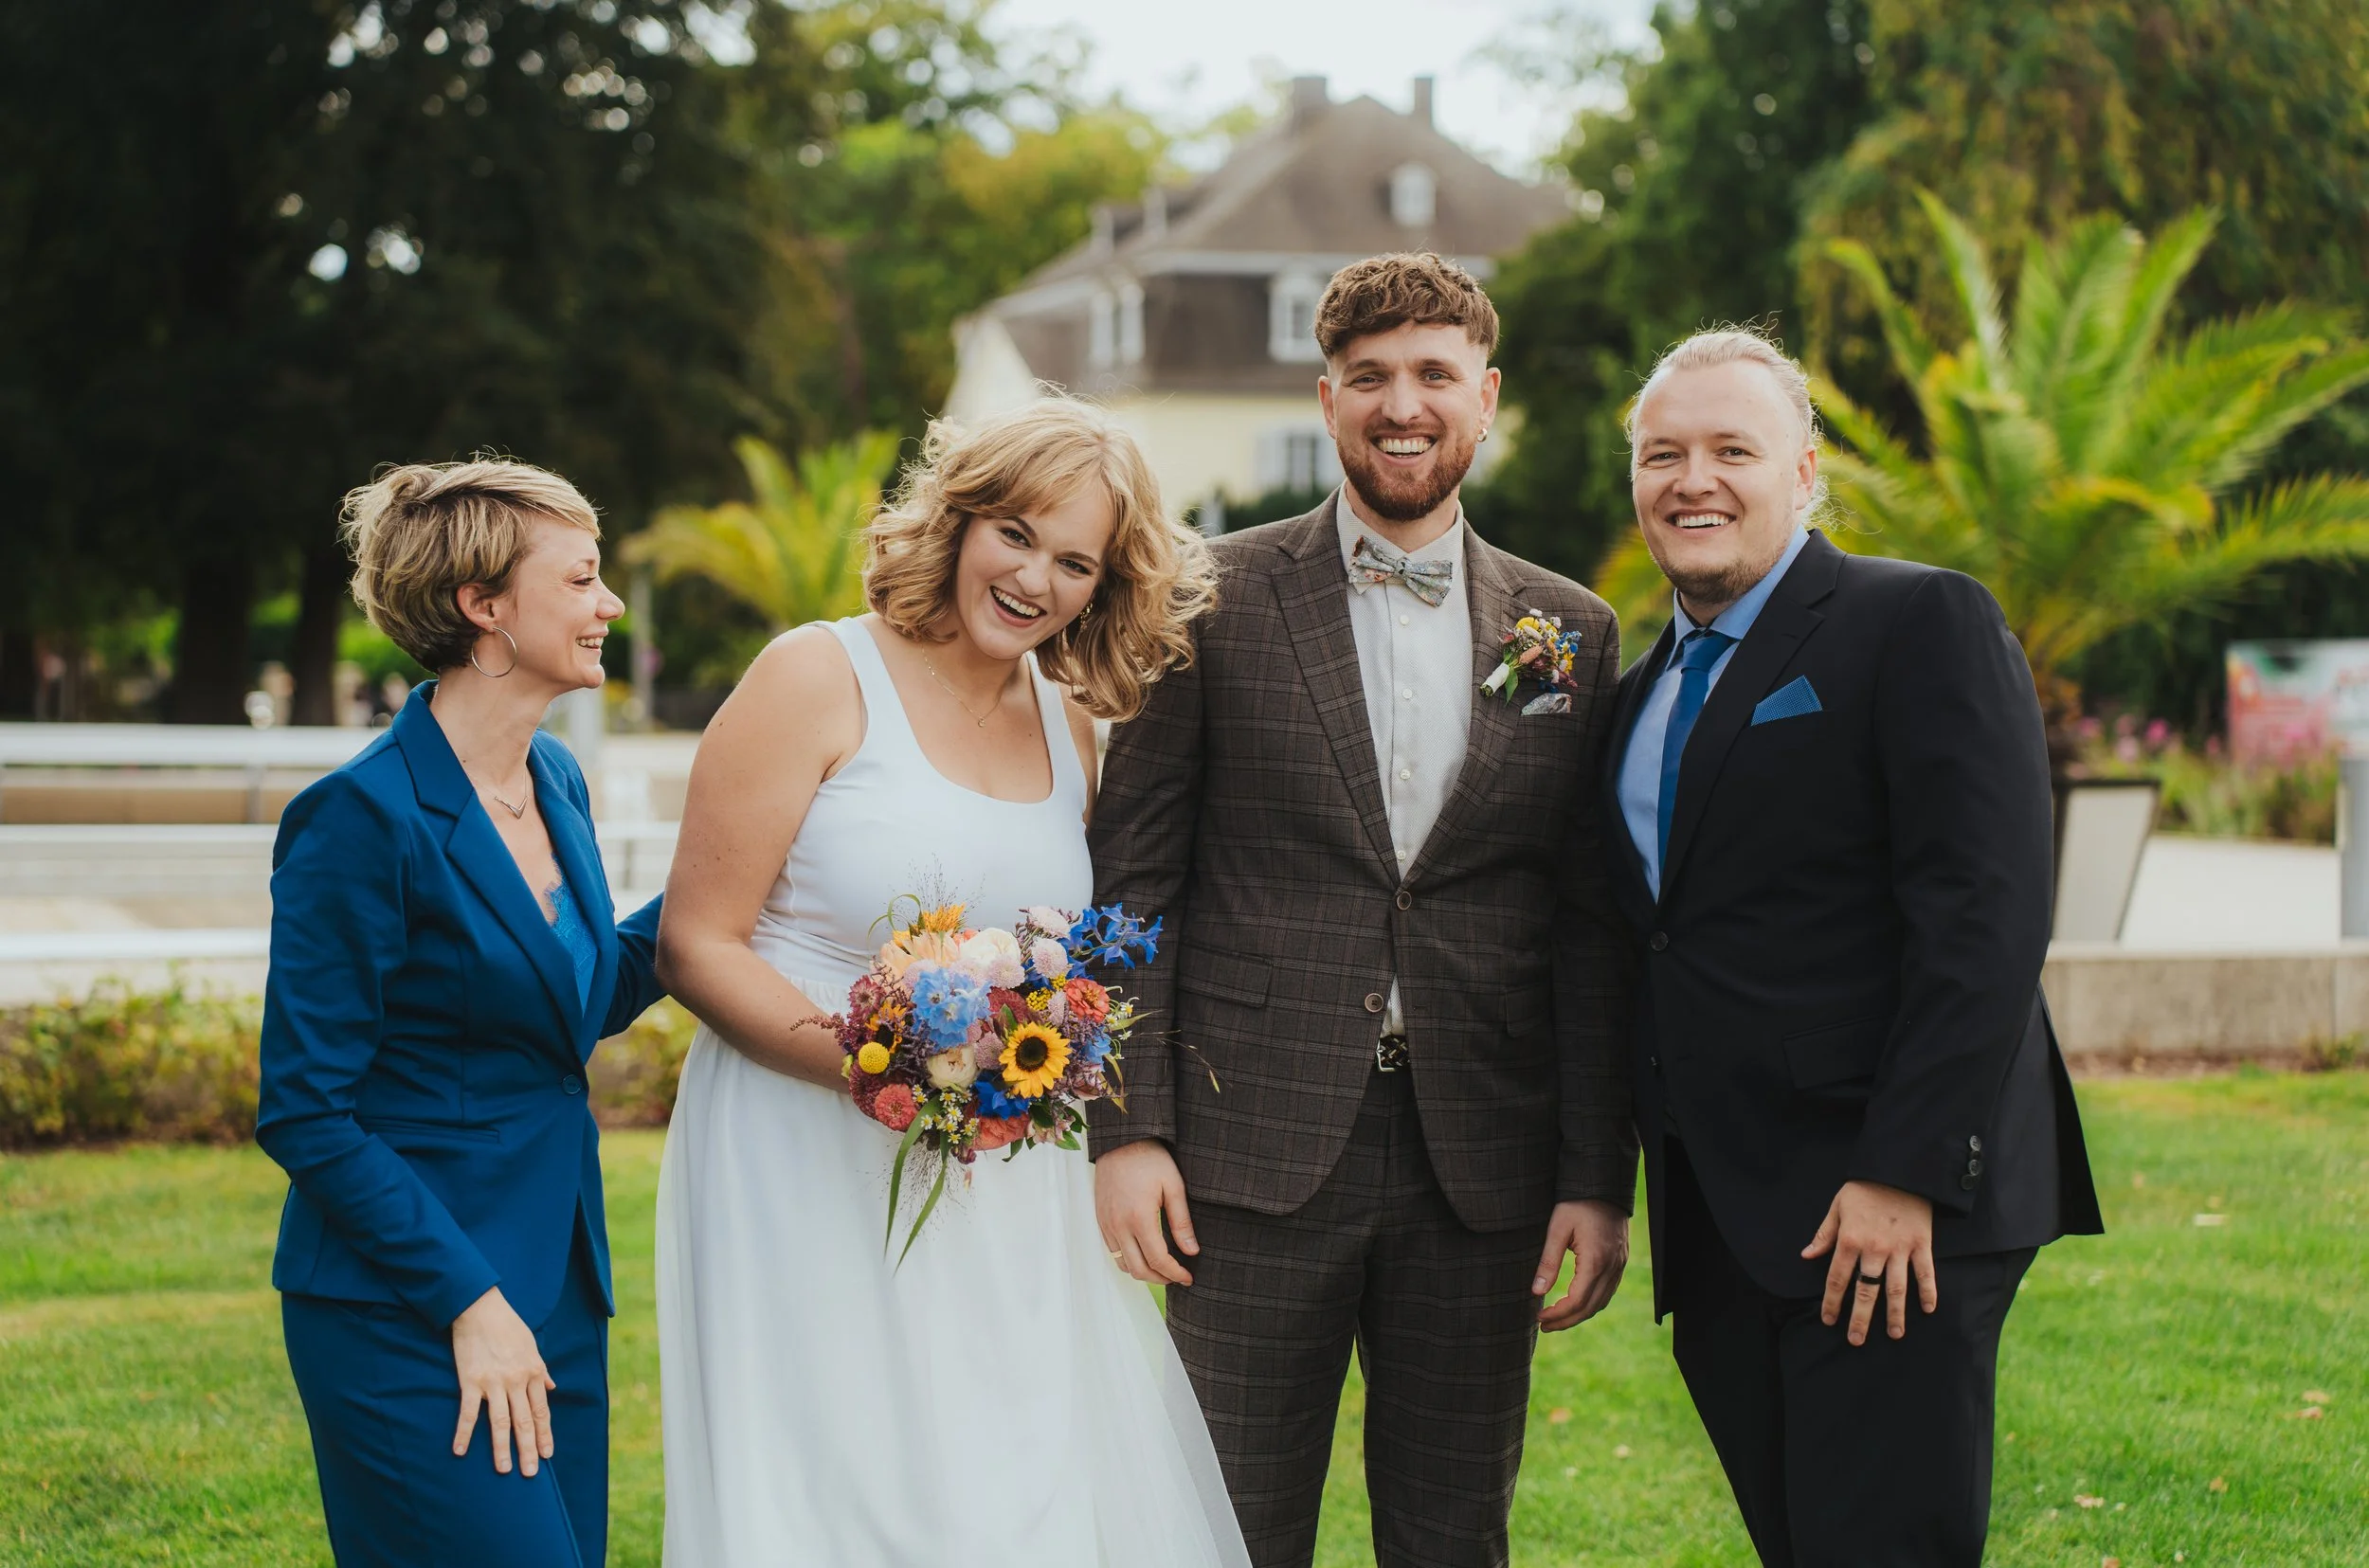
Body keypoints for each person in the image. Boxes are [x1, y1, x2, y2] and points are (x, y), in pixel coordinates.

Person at [1086, 252, 1635, 1568]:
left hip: (1480, 1164)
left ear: (1485, 397)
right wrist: (1128, 1126)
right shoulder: (1204, 596)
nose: (1406, 404)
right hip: (1246, 1155)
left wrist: (1591, 1174)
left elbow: (1587, 926)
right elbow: (1132, 882)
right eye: (1373, 377)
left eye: (1435, 375)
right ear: (1328, 399)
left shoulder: (1569, 629)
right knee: (1221, 1527)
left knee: (1454, 1533)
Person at [652, 397, 1247, 1567]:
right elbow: (697, 941)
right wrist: (892, 1070)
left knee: (1005, 1474)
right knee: (836, 1475)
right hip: (797, 1149)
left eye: (1074, 561)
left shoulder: (1071, 723)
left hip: (1004, 1172)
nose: (1035, 578)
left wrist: (1008, 1077)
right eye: (1016, 533)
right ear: (960, 518)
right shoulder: (814, 674)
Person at [1603, 328, 2104, 1567]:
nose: (1694, 478)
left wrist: (1907, 1169)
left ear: (1806, 471)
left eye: (1733, 448)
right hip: (1723, 1214)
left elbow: (1984, 912)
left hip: (1885, 1205)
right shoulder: (1634, 690)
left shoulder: (1915, 618)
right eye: (1664, 453)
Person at [257, 460, 668, 1568]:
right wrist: (467, 1299)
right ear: (484, 607)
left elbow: (568, 1007)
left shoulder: (556, 783)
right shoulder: (358, 818)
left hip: (559, 1283)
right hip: (410, 1304)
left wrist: (741, 873)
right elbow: (305, 1109)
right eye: (581, 579)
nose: (609, 605)